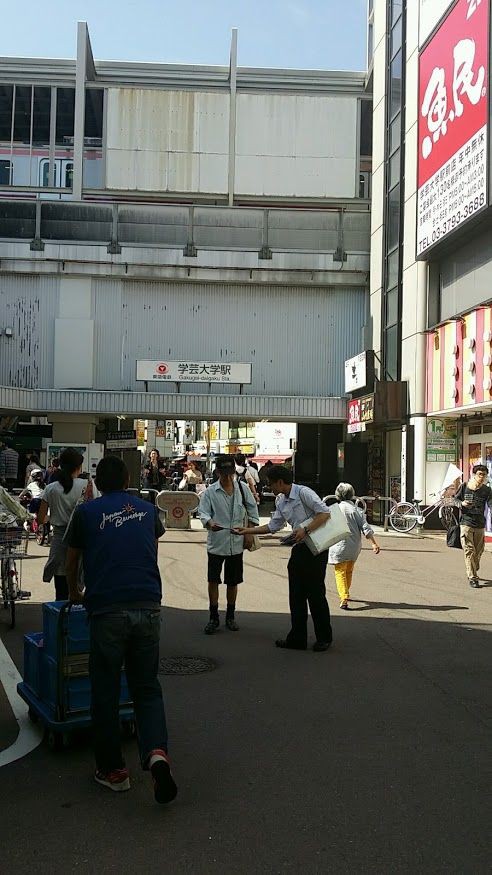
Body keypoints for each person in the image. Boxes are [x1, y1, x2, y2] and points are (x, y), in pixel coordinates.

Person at [65, 456, 177, 803]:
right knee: (146, 687)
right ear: (128, 479)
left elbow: (72, 560)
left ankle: (113, 770)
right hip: (147, 604)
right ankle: (157, 752)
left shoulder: (86, 513)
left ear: (96, 481)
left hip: (107, 610)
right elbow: (151, 553)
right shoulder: (146, 510)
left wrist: (75, 593)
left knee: (106, 690)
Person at [236, 464, 333, 652]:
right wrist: (247, 530)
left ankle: (324, 638)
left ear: (280, 482)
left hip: (317, 549)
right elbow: (273, 526)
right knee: (296, 595)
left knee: (315, 594)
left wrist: (305, 530)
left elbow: (325, 513)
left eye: (270, 484)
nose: (269, 488)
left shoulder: (304, 493)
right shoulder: (281, 500)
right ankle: (297, 638)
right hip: (299, 548)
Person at [198, 454, 259, 634]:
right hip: (217, 543)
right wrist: (209, 523)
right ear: (217, 472)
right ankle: (213, 617)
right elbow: (203, 513)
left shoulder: (242, 488)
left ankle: (230, 616)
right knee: (213, 580)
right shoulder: (210, 492)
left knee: (233, 582)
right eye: (223, 473)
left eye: (230, 472)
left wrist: (249, 532)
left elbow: (252, 510)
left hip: (237, 543)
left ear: (234, 471)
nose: (227, 476)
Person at [37, 448, 87, 600]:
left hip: (59, 540)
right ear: (79, 467)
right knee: (80, 585)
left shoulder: (50, 488)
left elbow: (40, 518)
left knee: (61, 591)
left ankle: (62, 620)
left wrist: (52, 519)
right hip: (82, 540)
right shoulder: (86, 485)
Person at [328, 482, 380, 609]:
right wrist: (374, 543)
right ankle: (345, 593)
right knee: (349, 570)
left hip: (338, 545)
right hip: (354, 546)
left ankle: (344, 597)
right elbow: (365, 528)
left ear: (337, 495)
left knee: (340, 571)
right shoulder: (357, 510)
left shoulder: (334, 509)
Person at [454, 464, 492, 588]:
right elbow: (455, 500)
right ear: (474, 475)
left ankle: (473, 568)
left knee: (478, 551)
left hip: (480, 524)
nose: (482, 477)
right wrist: (462, 503)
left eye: (484, 475)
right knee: (469, 550)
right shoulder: (465, 486)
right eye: (480, 474)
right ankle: (473, 578)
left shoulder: (487, 490)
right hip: (466, 523)